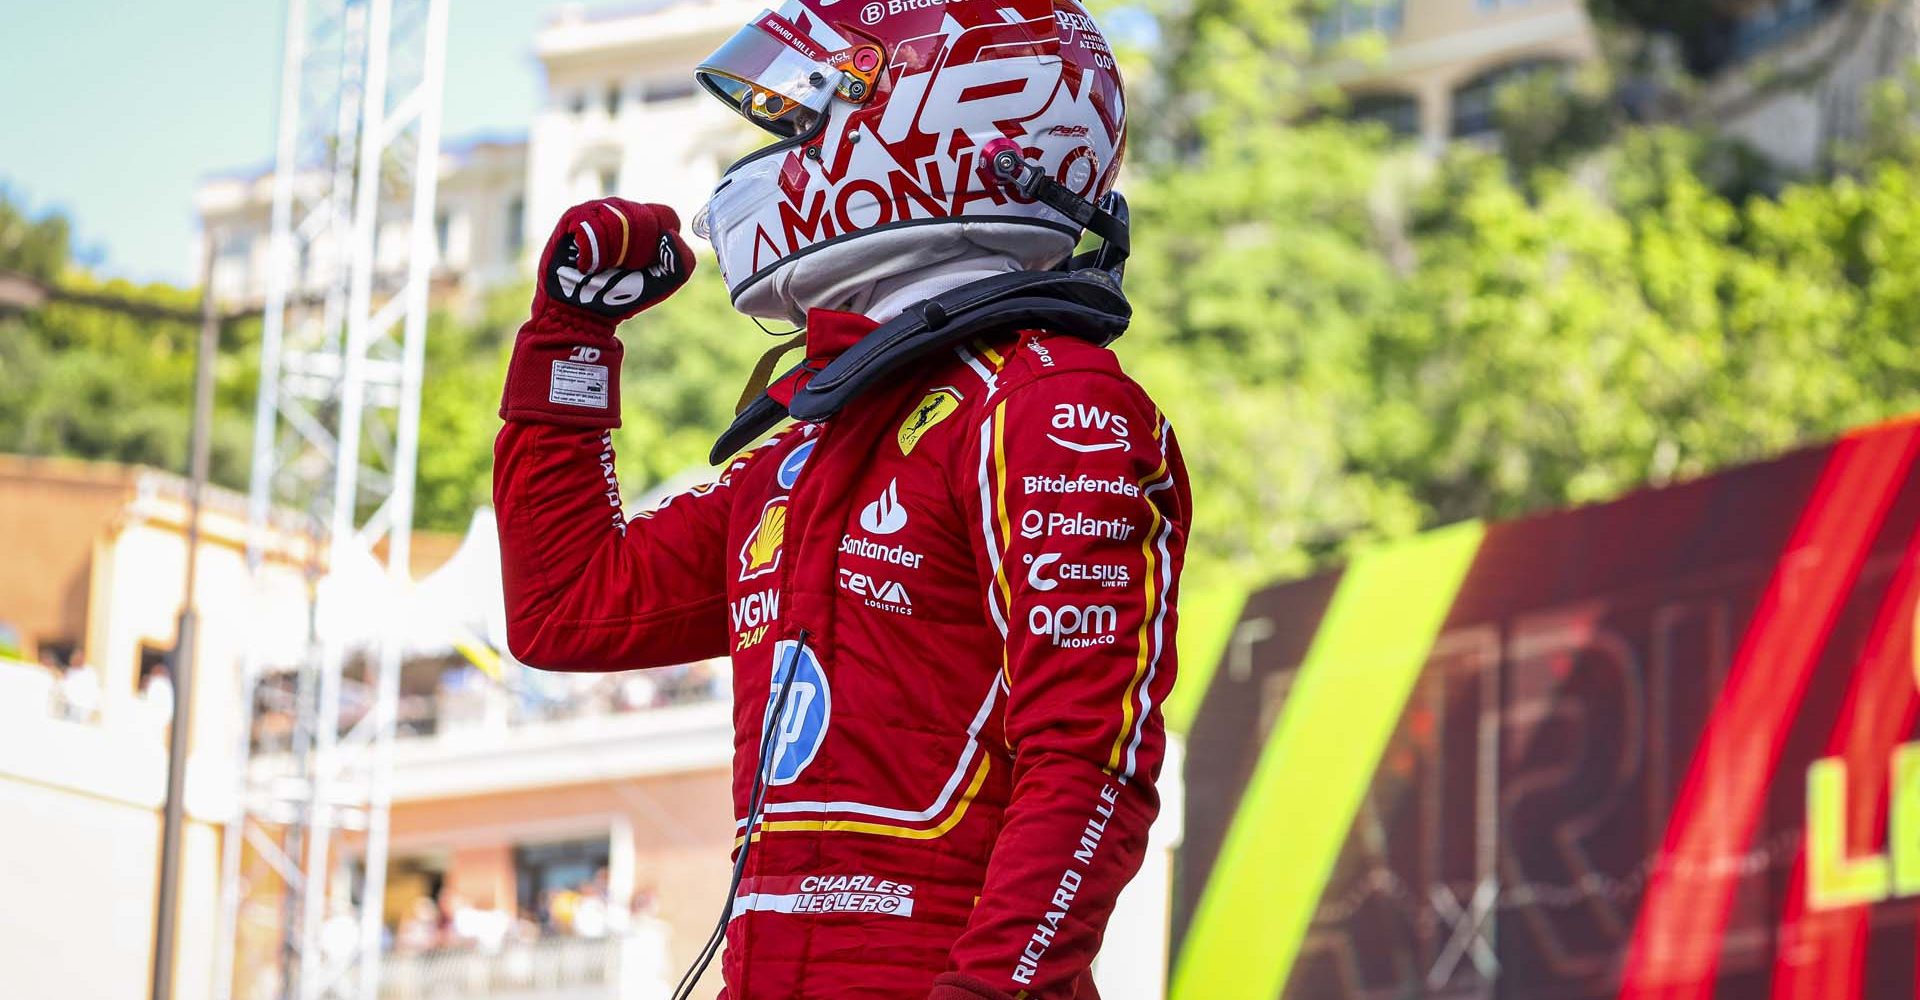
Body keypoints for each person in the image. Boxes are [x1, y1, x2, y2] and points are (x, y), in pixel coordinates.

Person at [492, 2, 1187, 997]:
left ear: (961, 126)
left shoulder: (1049, 407)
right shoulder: (801, 453)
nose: (775, 157)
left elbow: (1092, 758)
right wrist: (572, 340)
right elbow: (569, 609)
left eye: (804, 122)